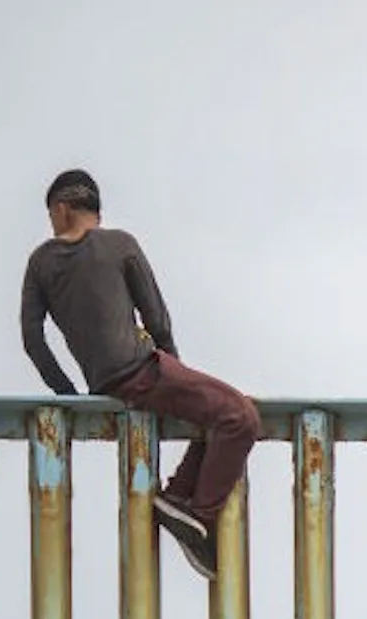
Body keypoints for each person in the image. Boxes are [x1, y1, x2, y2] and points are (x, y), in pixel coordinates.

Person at [20, 169, 260, 578]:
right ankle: (197, 513)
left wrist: (71, 396)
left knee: (217, 413)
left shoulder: (41, 262)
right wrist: (175, 370)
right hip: (142, 369)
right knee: (241, 416)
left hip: (105, 380)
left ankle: (181, 498)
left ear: (61, 209)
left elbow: (32, 338)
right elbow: (156, 316)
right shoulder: (119, 245)